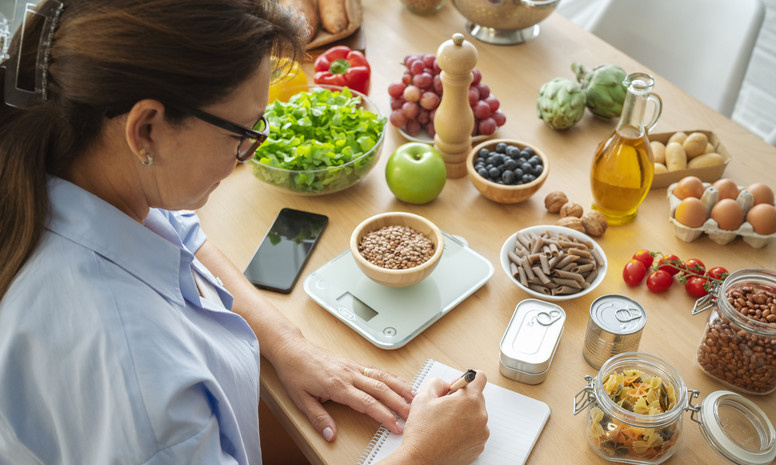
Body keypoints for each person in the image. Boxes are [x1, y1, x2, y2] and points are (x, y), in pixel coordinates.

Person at [0, 1, 489, 464]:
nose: (251, 153)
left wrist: (286, 342)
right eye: (242, 133)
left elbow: (182, 238)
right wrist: (423, 454)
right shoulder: (137, 380)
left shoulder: (76, 166)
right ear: (146, 129)